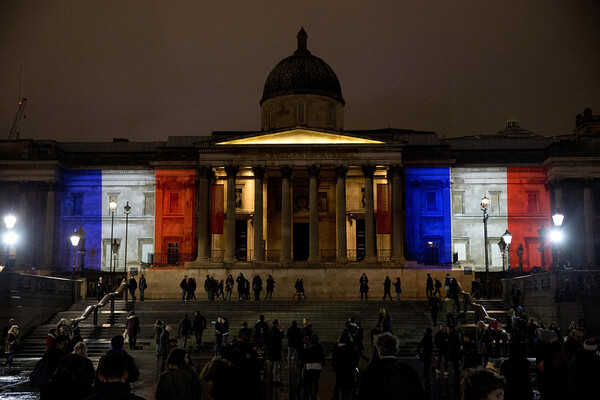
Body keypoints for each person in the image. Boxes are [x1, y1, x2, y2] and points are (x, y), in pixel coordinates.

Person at [357, 332, 425, 400]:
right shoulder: (408, 371)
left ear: (379, 351)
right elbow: (419, 395)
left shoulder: (369, 373)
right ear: (396, 350)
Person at [332, 330, 359, 400]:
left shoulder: (336, 348)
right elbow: (355, 359)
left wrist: (335, 368)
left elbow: (334, 359)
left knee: (338, 386)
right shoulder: (351, 348)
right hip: (349, 372)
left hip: (339, 371)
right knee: (347, 391)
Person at [303, 334, 325, 400]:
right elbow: (322, 356)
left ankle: (310, 395)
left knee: (310, 382)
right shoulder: (319, 346)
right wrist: (322, 362)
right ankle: (315, 395)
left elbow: (305, 356)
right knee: (316, 382)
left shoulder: (308, 346)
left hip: (309, 366)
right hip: (317, 365)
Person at [264, 319, 284, 385]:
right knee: (276, 367)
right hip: (276, 352)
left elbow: (266, 342)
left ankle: (269, 379)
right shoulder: (278, 332)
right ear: (276, 324)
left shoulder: (269, 332)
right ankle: (275, 380)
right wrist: (281, 330)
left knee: (269, 367)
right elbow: (281, 338)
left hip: (270, 352)